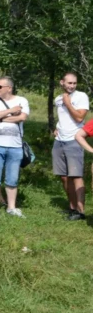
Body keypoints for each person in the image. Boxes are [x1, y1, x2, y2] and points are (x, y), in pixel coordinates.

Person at [0, 77, 30, 218]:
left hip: (15, 146)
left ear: (9, 88)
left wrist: (1, 118)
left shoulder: (22, 100)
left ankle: (11, 207)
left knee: (12, 178)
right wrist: (10, 111)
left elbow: (22, 117)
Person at [52, 72, 89, 221]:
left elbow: (80, 117)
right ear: (62, 82)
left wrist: (68, 103)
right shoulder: (57, 99)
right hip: (59, 140)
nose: (72, 86)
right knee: (64, 177)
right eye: (69, 83)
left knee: (76, 176)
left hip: (74, 140)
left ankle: (81, 211)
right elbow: (63, 117)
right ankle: (72, 207)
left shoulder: (81, 97)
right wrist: (57, 127)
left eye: (74, 83)